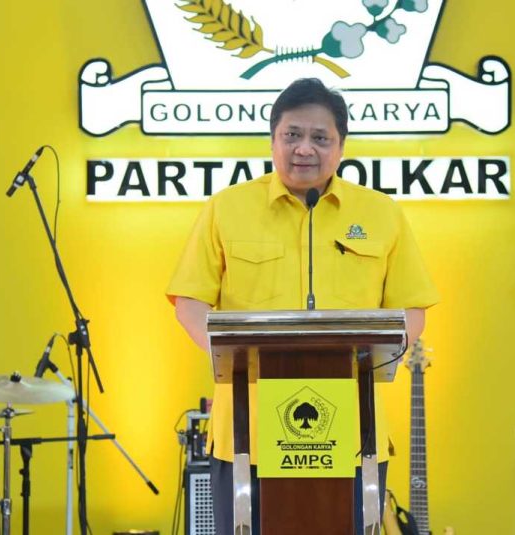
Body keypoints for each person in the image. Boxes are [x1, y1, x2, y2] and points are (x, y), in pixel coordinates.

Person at [166, 77, 439, 534]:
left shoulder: (381, 214)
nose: (304, 149)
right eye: (292, 135)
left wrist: (375, 356)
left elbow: (412, 309)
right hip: (247, 432)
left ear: (341, 146)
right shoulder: (226, 209)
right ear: (272, 139)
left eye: (320, 137)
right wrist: (234, 356)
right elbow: (190, 302)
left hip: (354, 430)